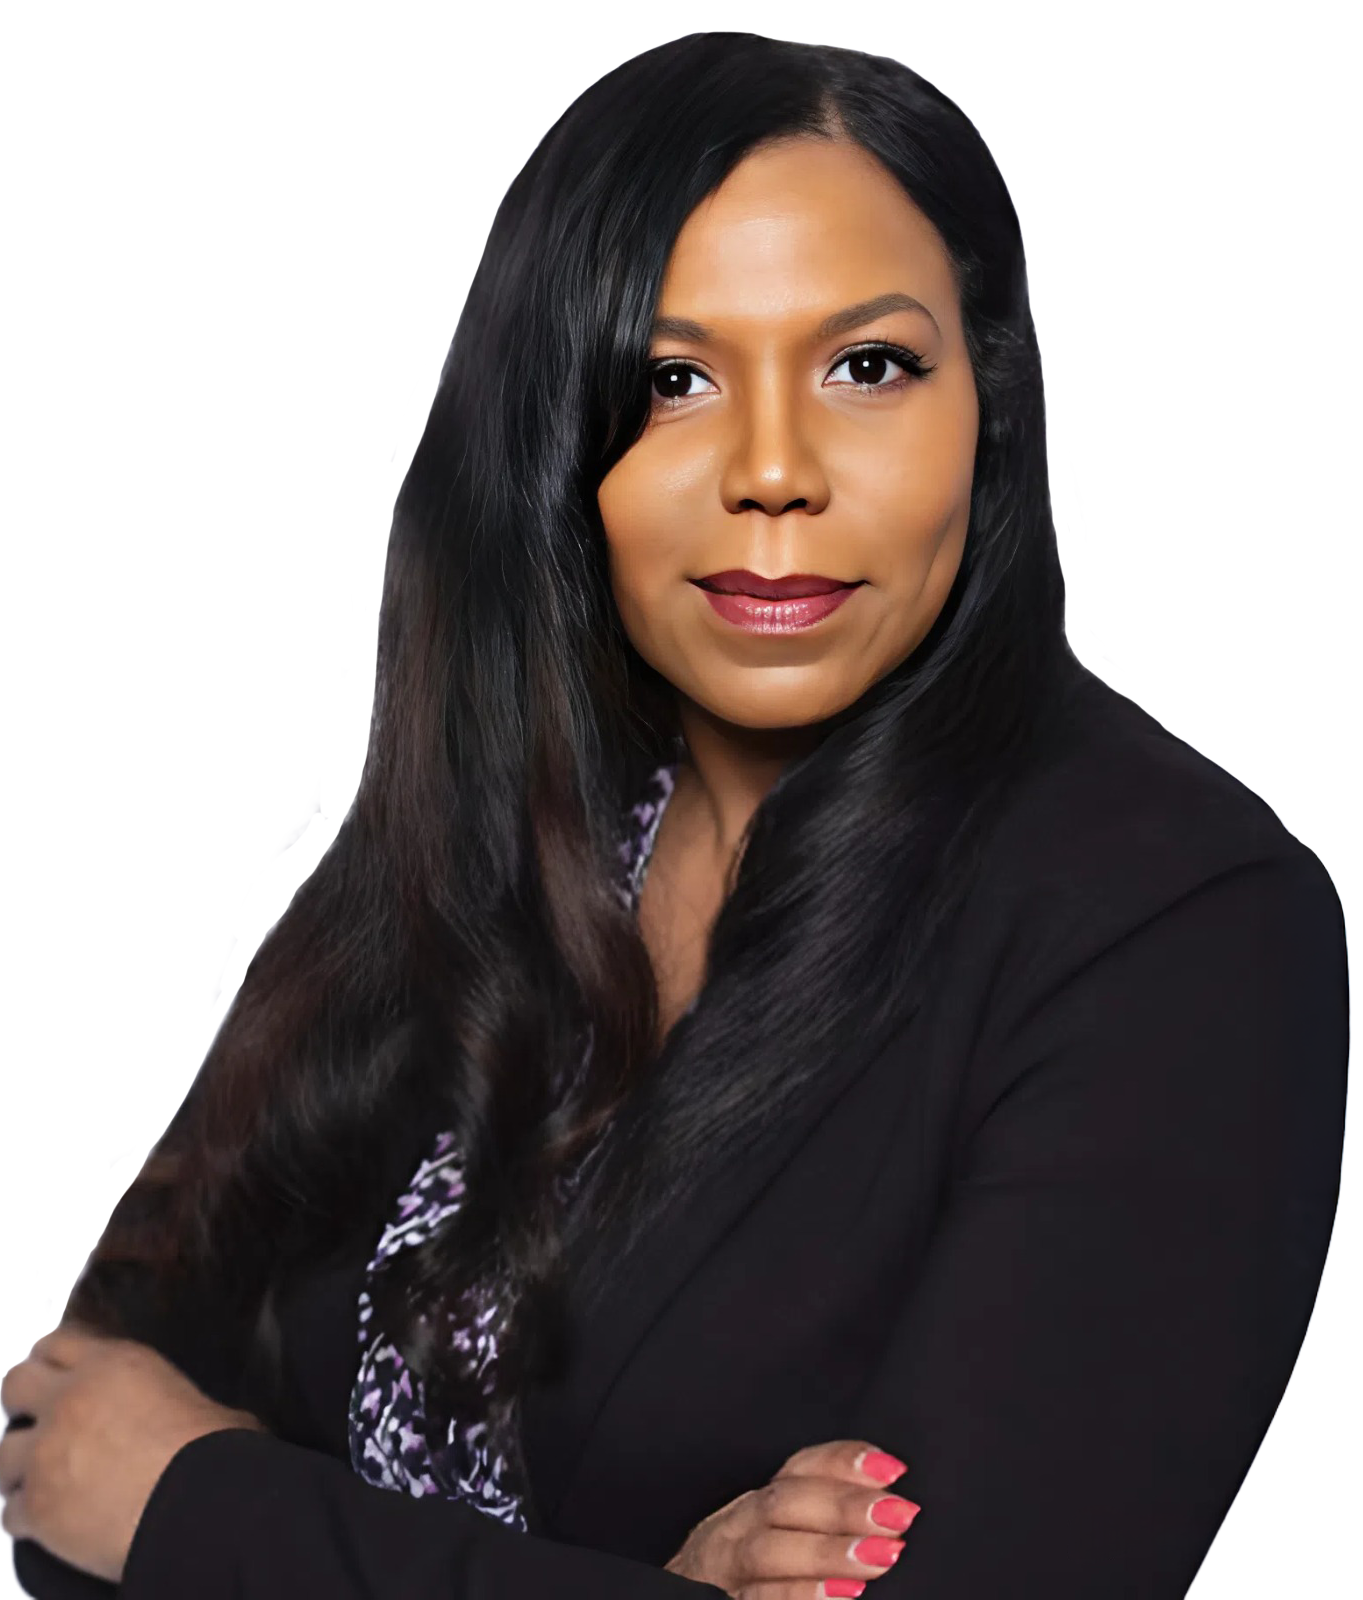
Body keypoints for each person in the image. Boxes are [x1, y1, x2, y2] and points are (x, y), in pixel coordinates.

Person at [1, 29, 1349, 1600]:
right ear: (555, 439)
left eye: (868, 366)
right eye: (672, 379)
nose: (773, 472)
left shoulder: (1178, 927)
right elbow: (59, 1445)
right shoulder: (474, 832)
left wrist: (201, 1510)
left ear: (986, 403)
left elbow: (132, 1495)